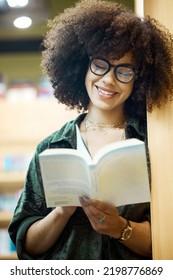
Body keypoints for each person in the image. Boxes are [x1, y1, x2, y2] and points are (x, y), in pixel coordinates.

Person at [8, 0, 173, 260]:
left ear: (139, 79)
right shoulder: (52, 147)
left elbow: (166, 242)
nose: (108, 79)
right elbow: (26, 246)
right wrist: (61, 212)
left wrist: (121, 228)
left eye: (124, 70)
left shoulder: (154, 145)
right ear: (82, 66)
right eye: (100, 64)